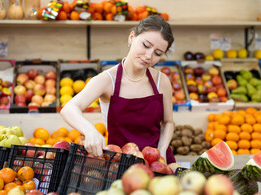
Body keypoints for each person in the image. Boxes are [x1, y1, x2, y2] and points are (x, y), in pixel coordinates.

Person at [60, 15, 176, 164]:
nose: (148, 56)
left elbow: (168, 122)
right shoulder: (107, 80)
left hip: (157, 162)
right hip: (120, 163)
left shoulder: (162, 81)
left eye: (157, 53)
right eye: (146, 45)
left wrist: (162, 151)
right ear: (132, 37)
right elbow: (69, 108)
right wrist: (90, 131)